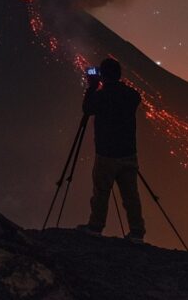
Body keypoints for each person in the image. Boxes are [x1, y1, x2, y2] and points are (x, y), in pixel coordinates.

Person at [76, 58, 146, 242]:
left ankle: (95, 226)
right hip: (129, 153)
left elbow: (88, 108)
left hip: (106, 153)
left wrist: (92, 87)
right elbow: (134, 96)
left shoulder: (101, 95)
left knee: (101, 192)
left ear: (103, 75)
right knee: (131, 195)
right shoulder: (131, 95)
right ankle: (137, 231)